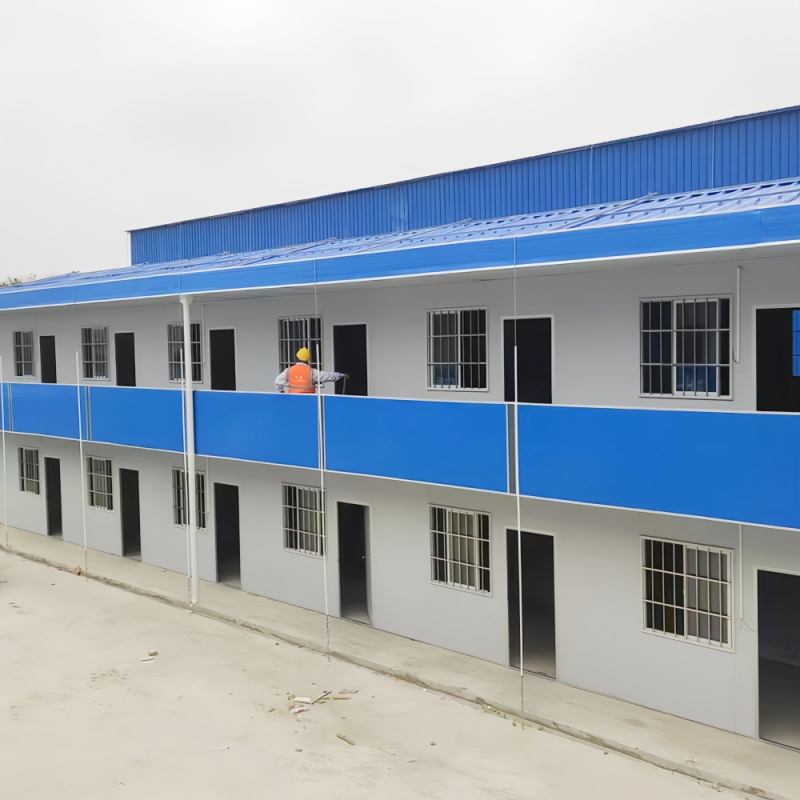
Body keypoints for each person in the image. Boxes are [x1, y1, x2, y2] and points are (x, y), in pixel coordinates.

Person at [275, 347, 347, 394]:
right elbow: (326, 376)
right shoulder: (312, 372)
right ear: (308, 360)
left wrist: (282, 392)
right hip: (309, 401)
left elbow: (278, 381)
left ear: (296, 358)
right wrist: (340, 375)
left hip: (293, 400)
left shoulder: (288, 370)